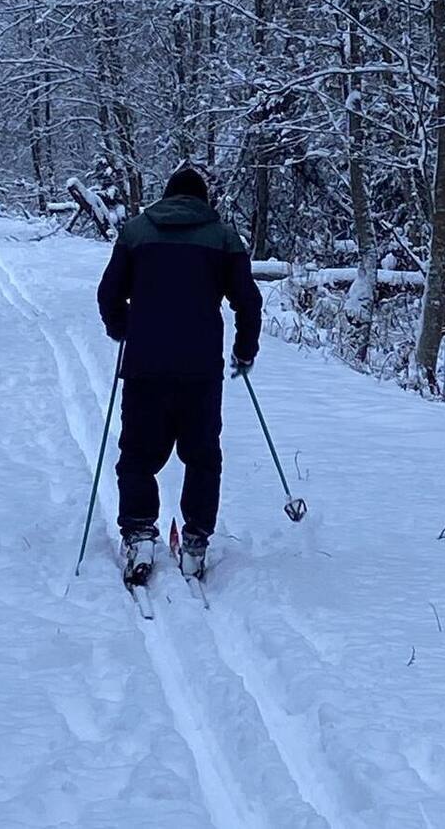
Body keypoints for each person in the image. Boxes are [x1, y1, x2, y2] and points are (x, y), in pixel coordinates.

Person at [97, 167, 262, 583]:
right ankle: (195, 541)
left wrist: (123, 327)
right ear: (203, 200)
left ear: (167, 197)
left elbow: (109, 293)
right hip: (200, 369)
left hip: (145, 364)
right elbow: (248, 301)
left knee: (137, 453)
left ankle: (138, 532)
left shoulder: (136, 231)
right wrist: (244, 351)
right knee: (202, 455)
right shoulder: (224, 237)